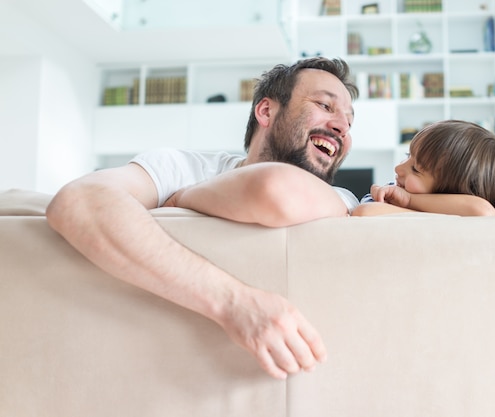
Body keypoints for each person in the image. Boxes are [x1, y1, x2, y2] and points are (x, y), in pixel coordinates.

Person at [46, 57, 359, 380]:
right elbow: (80, 200)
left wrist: (182, 199)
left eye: (350, 121)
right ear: (266, 111)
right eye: (325, 105)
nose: (343, 127)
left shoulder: (343, 202)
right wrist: (233, 303)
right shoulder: (178, 167)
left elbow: (277, 190)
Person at [352, 120, 495, 217]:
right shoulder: (395, 195)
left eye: (416, 170)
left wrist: (409, 200)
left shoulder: (406, 203)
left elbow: (482, 211)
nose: (398, 168)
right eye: (407, 155)